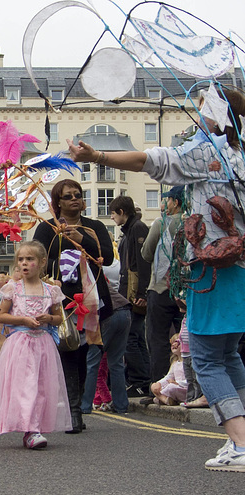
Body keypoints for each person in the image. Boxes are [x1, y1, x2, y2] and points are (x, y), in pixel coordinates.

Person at [67, 86, 245, 470]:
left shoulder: (209, 151)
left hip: (212, 270)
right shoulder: (240, 151)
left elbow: (153, 160)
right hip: (238, 267)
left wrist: (95, 155)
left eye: (203, 110)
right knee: (228, 354)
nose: (197, 118)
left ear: (219, 114)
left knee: (206, 357)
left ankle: (241, 443)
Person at [34, 178, 114, 433]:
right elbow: (38, 261)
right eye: (68, 196)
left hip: (92, 299)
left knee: (84, 355)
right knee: (68, 350)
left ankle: (74, 406)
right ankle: (74, 411)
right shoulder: (47, 228)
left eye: (78, 195)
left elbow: (108, 258)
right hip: (63, 301)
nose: (75, 199)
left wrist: (82, 240)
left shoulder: (94, 227)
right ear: (57, 202)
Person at [0, 241, 71, 449]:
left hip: (43, 344)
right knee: (25, 386)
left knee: (41, 386)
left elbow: (59, 318)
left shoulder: (51, 290)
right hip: (20, 345)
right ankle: (30, 430)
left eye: (29, 259)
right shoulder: (12, 288)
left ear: (41, 263)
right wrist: (22, 320)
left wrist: (48, 317)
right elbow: (2, 315)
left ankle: (36, 427)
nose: (24, 263)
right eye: (21, 259)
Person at [109, 195, 152, 397]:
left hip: (134, 292)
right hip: (129, 291)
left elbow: (143, 262)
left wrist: (142, 292)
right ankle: (143, 379)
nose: (112, 218)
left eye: (113, 213)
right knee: (135, 337)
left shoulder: (137, 229)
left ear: (121, 212)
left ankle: (140, 380)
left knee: (130, 339)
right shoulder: (130, 231)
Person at [141, 186, 184, 388]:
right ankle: (187, 385)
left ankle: (158, 386)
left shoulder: (161, 222)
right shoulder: (194, 222)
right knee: (188, 339)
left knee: (157, 338)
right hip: (187, 290)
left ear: (175, 202)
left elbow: (146, 253)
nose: (163, 204)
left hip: (160, 288)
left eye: (166, 200)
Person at [81, 248, 131, 415]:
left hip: (107, 315)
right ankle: (121, 405)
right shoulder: (99, 273)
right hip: (124, 310)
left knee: (93, 361)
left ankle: (85, 405)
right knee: (116, 363)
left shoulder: (85, 274)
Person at [151, 333, 187, 405]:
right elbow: (168, 376)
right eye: (172, 342)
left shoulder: (188, 362)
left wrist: (178, 383)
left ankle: (162, 398)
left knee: (171, 387)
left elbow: (191, 379)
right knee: (153, 386)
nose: (173, 344)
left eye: (177, 342)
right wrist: (159, 383)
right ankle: (168, 400)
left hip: (184, 388)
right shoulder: (175, 363)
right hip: (174, 386)